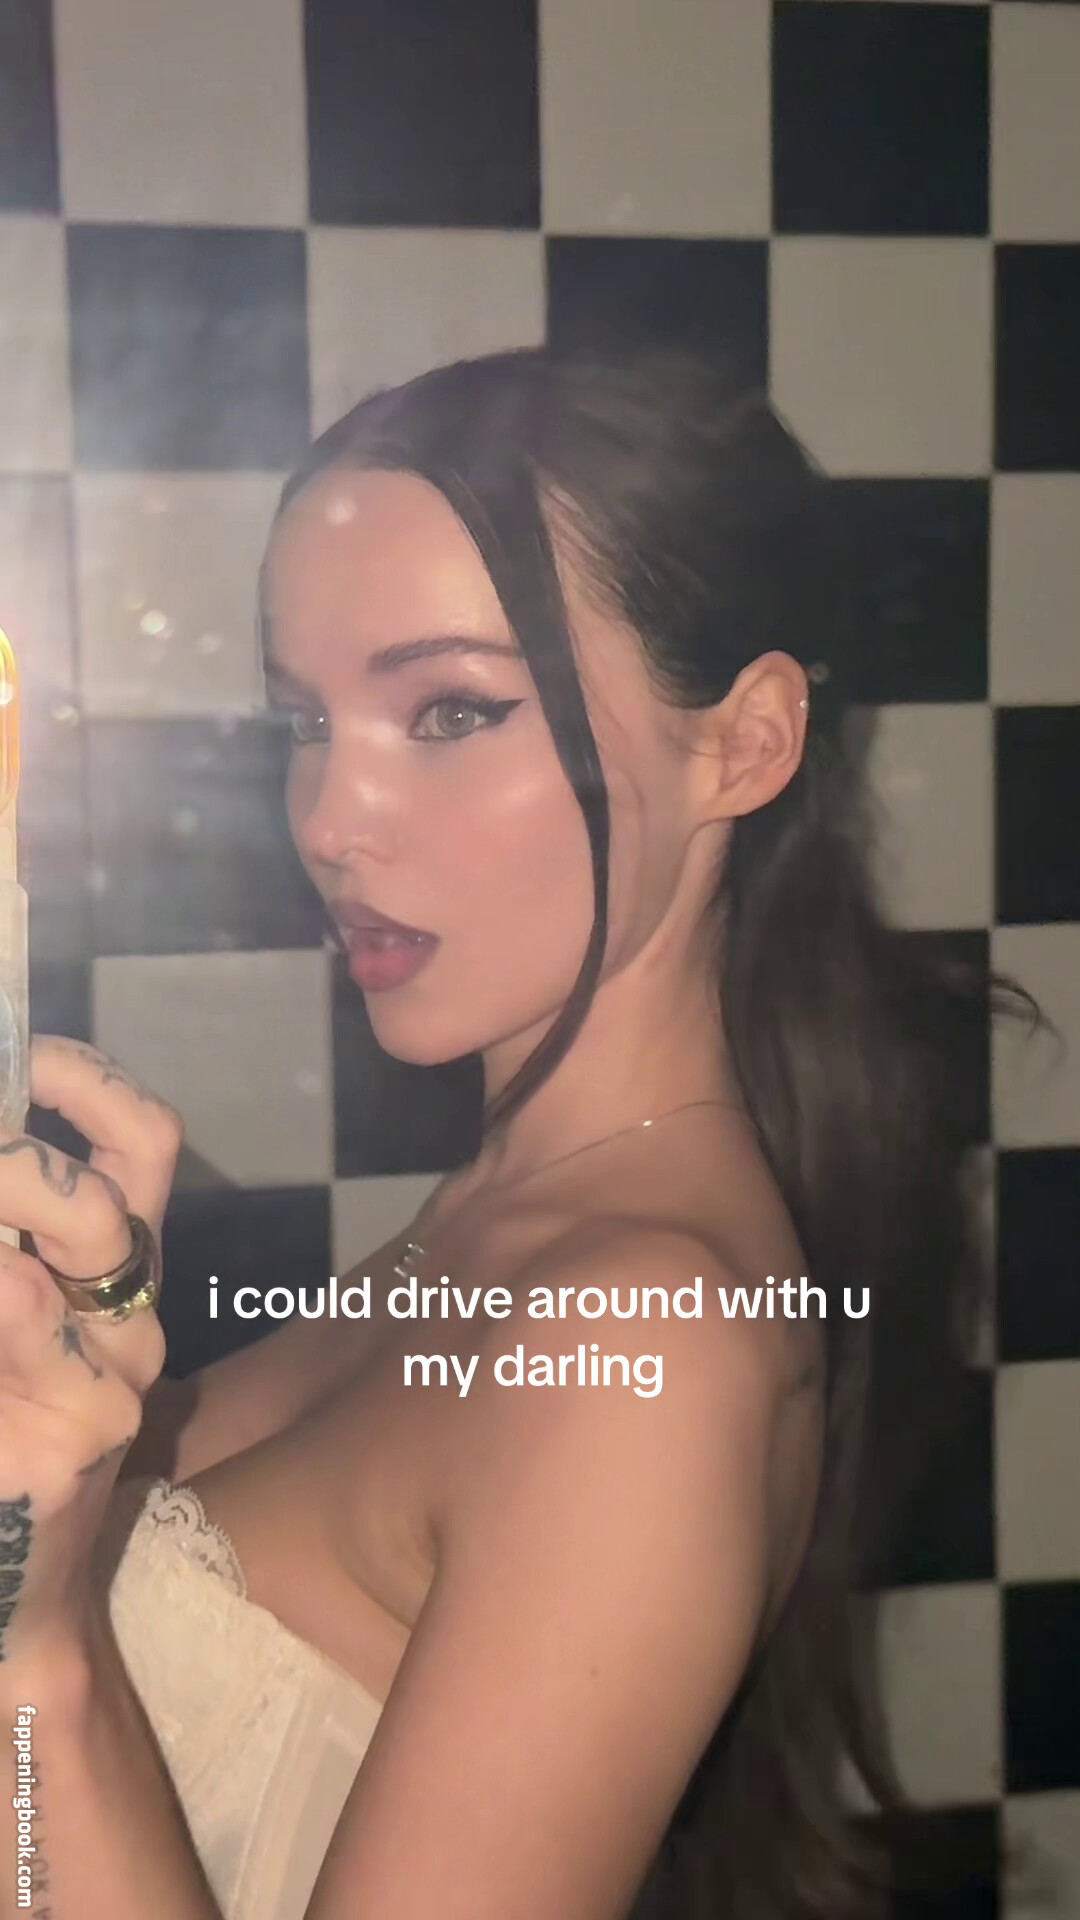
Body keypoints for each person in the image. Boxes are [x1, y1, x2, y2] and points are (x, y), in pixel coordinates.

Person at [0, 346, 1038, 1920]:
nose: (328, 821)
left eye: (450, 711)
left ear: (747, 742)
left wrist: (44, 1646)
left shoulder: (653, 1334)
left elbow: (51, 1697)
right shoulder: (507, 1211)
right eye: (305, 721)